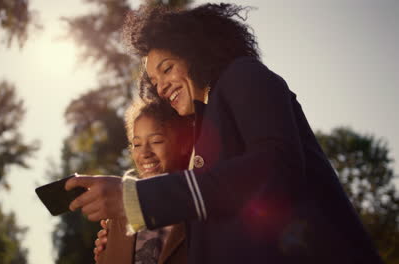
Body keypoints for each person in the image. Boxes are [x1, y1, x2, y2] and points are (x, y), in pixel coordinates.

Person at [66, 3, 384, 263]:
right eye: (154, 80)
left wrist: (136, 199)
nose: (160, 86)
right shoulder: (202, 140)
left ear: (196, 51)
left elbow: (276, 168)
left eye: (167, 68)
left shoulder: (242, 75)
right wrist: (129, 242)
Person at [95, 99, 192, 264]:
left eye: (156, 141)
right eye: (137, 144)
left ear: (184, 143)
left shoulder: (198, 204)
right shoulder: (118, 219)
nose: (144, 153)